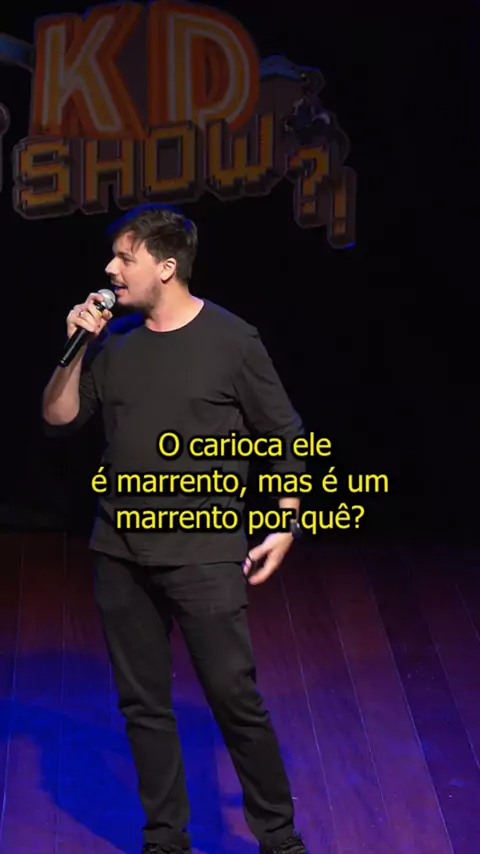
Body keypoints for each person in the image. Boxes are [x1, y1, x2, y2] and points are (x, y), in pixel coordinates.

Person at [42, 204, 309, 854]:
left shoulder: (232, 340)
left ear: (165, 267)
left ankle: (279, 839)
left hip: (203, 553)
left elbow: (284, 435)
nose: (110, 269)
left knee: (233, 698)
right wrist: (75, 349)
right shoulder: (113, 342)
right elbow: (59, 417)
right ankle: (166, 839)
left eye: (124, 257)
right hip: (120, 552)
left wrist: (286, 523)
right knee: (143, 706)